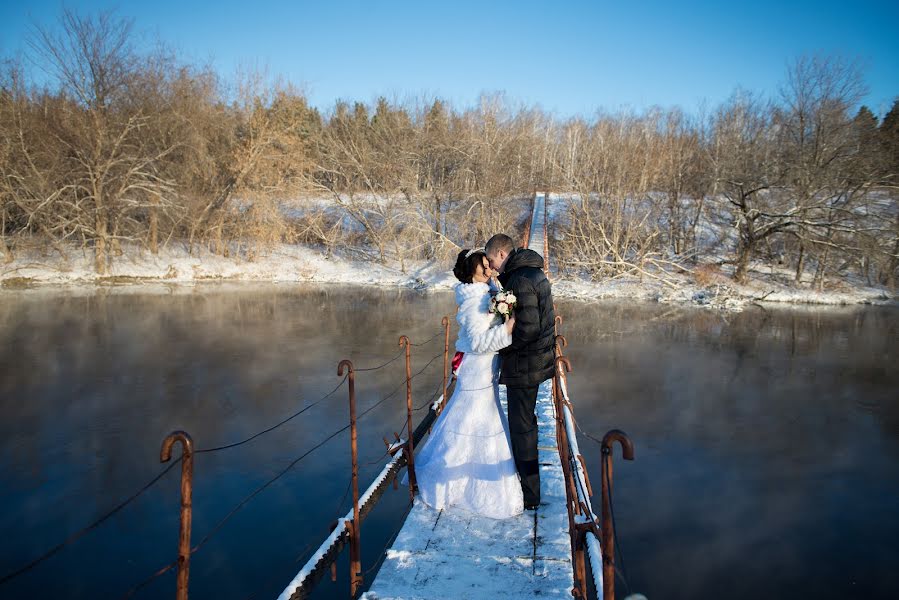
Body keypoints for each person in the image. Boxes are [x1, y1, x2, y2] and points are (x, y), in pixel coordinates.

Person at [411, 249, 524, 519]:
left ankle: (469, 480)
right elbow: (476, 343)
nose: (488, 268)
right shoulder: (475, 300)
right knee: (471, 420)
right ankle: (449, 483)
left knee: (482, 419)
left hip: (485, 368)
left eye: (489, 263)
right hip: (477, 369)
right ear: (472, 270)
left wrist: (501, 306)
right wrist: (506, 331)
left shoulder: (486, 291)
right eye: (483, 265)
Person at [485, 233, 556, 511]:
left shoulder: (520, 279)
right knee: (525, 423)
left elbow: (528, 329)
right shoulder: (527, 272)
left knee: (522, 427)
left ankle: (529, 494)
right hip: (534, 360)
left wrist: (500, 346)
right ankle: (528, 487)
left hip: (526, 363)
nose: (491, 266)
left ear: (502, 254)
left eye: (491, 259)